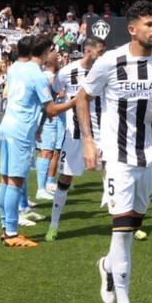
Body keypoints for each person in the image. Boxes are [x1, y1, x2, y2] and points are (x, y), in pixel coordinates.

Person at [74, 0, 152, 303]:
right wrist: (89, 141)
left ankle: (106, 266)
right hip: (118, 159)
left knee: (131, 229)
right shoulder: (110, 61)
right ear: (132, 29)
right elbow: (83, 97)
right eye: (149, 24)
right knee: (121, 232)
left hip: (151, 156)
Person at [0, 35, 74, 248]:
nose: (56, 54)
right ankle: (12, 233)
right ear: (47, 52)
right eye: (54, 50)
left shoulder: (16, 68)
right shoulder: (37, 75)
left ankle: (6, 228)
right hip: (20, 131)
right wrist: (76, 101)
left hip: (6, 127)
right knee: (15, 181)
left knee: (5, 180)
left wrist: (38, 126)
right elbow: (50, 109)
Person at [44, 36, 106, 242]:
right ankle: (53, 225)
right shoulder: (66, 72)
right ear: (89, 52)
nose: (103, 56)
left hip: (103, 133)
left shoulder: (106, 71)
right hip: (75, 136)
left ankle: (126, 226)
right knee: (65, 180)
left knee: (115, 175)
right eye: (101, 51)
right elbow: (51, 94)